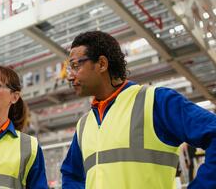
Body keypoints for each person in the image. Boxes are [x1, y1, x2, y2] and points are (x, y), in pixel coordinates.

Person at [60, 31, 216, 188]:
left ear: (101, 64)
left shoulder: (156, 101)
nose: (70, 76)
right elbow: (71, 175)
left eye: (75, 66)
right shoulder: (84, 125)